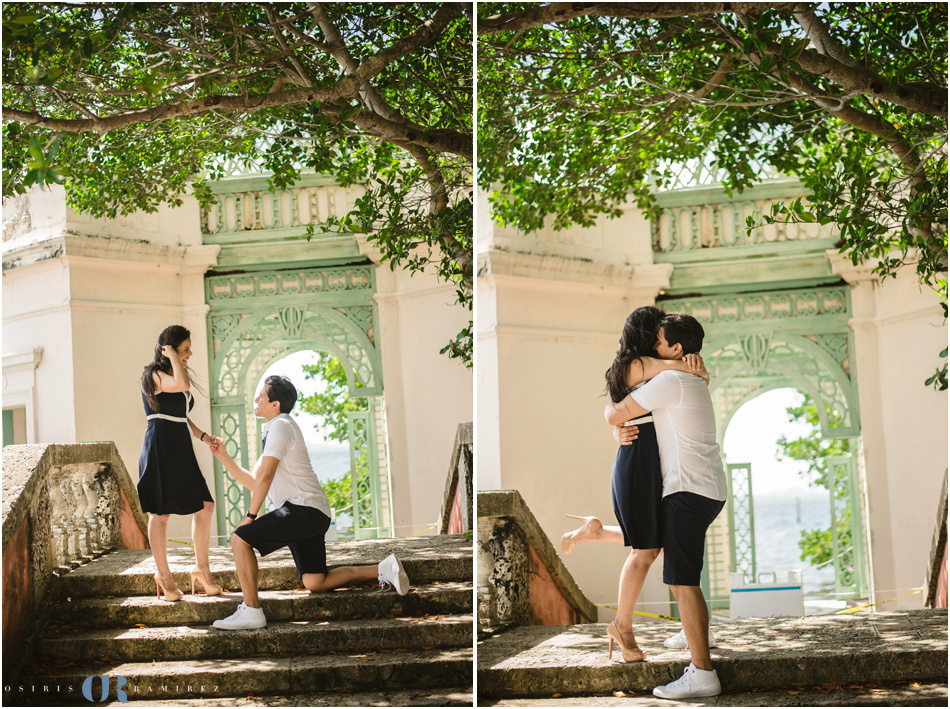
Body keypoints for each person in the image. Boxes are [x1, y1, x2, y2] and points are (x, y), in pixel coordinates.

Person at [562, 306, 708, 663]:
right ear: (645, 335)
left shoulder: (647, 366)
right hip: (639, 463)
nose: (661, 335)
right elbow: (617, 410)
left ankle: (594, 532)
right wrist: (694, 367)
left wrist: (696, 370)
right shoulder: (635, 365)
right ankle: (622, 628)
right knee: (645, 551)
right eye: (656, 331)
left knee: (654, 542)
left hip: (653, 461)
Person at [209, 374, 410, 630]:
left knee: (240, 539)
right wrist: (223, 456)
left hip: (302, 510)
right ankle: (384, 567)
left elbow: (266, 477)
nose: (256, 399)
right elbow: (256, 481)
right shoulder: (276, 429)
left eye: (262, 395)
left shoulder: (281, 426)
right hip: (312, 513)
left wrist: (250, 515)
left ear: (275, 404)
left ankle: (251, 610)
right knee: (315, 581)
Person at [605, 313, 728, 700]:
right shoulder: (683, 376)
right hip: (707, 488)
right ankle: (692, 633)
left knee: (681, 580)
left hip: (687, 490)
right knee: (683, 572)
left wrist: (615, 422)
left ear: (675, 349)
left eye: (659, 342)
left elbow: (614, 411)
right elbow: (623, 415)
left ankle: (703, 673)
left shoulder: (670, 380)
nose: (654, 347)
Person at [138, 325, 221, 602]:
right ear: (169, 348)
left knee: (205, 506)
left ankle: (201, 568)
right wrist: (172, 356)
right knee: (160, 514)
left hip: (180, 444)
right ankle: (164, 575)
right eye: (185, 348)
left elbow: (182, 416)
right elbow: (182, 387)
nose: (190, 353)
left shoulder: (175, 374)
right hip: (160, 444)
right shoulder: (152, 375)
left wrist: (204, 437)